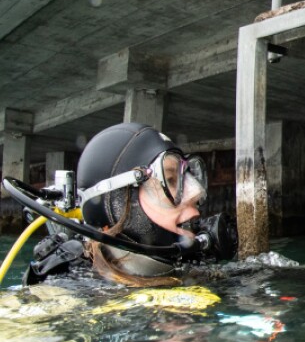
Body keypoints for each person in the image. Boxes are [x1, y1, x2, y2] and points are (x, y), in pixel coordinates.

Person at [12, 122, 237, 286]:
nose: (196, 192)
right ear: (114, 205)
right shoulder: (66, 291)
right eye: (170, 180)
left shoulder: (199, 266)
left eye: (189, 176)